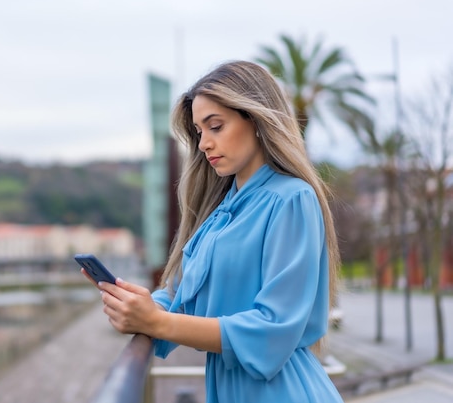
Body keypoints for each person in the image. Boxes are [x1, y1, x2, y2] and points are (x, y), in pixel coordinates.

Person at [87, 60, 343, 402]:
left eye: (216, 126)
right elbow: (182, 297)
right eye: (198, 131)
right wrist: (137, 306)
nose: (205, 142)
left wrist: (157, 324)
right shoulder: (220, 212)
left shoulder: (292, 199)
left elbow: (273, 328)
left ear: (255, 120)